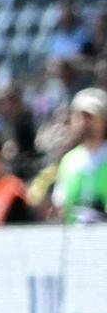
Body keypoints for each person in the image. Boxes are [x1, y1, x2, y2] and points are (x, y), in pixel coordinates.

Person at [52, 88, 107, 224]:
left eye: (90, 117)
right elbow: (60, 206)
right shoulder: (68, 160)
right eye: (78, 116)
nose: (84, 122)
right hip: (76, 236)